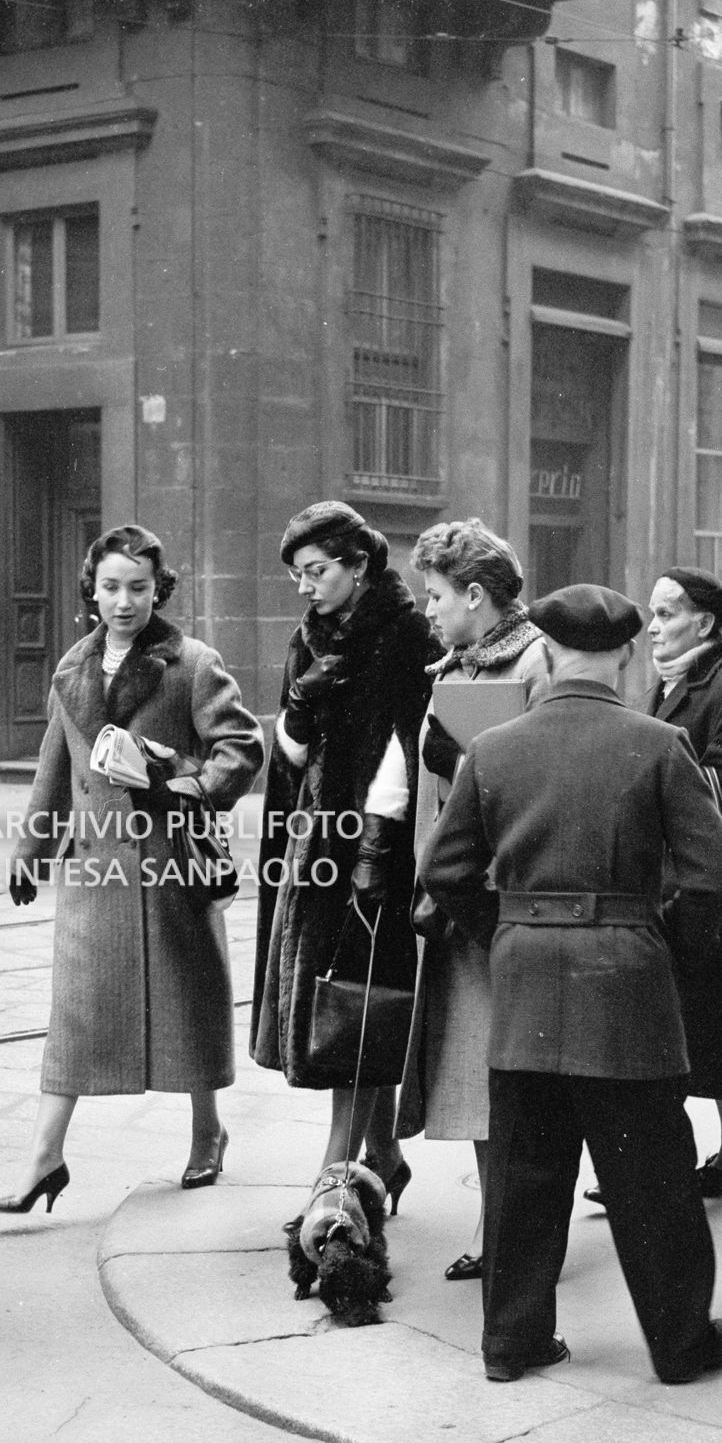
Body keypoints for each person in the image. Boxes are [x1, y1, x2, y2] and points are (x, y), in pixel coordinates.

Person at [420, 584, 722, 1386]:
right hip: (626, 983)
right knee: (653, 1177)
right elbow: (717, 875)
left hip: (525, 982)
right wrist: (664, 946)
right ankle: (680, 1344)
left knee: (524, 1172)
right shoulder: (660, 744)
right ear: (626, 654)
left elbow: (444, 871)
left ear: (550, 650)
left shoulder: (493, 749)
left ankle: (512, 1342)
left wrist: (507, 933)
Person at [0, 525, 262, 1212]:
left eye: (138, 588)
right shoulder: (71, 668)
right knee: (74, 1014)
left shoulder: (192, 663)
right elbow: (56, 764)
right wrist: (31, 850)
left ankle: (207, 1132)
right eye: (111, 587)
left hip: (169, 864)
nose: (123, 602)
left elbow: (241, 748)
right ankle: (44, 1158)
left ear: (157, 591)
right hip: (93, 869)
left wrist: (187, 783)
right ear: (92, 590)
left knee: (188, 1001)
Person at [252, 501, 439, 1198]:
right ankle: (383, 1156)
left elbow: (402, 752)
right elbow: (291, 755)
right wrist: (300, 706)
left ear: (359, 566)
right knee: (349, 1003)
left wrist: (373, 854)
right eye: (298, 574)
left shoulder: (406, 633)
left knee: (354, 1005)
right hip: (314, 840)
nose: (305, 586)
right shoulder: (309, 635)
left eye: (317, 571)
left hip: (371, 849)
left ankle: (331, 1181)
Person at [395, 520, 548, 1284]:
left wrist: (461, 766)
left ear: (477, 596)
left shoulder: (537, 663)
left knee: (513, 1074)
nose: (428, 610)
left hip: (506, 903)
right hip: (458, 901)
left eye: (436, 596)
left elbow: (542, 782)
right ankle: (501, 1225)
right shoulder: (455, 667)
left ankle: (515, 1233)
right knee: (481, 1073)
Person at [644, 566, 722, 1196]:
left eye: (665, 614)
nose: (653, 627)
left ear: (705, 622)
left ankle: (660, 1169)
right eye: (652, 614)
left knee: (698, 1032)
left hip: (707, 886)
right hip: (680, 878)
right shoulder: (679, 681)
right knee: (705, 1032)